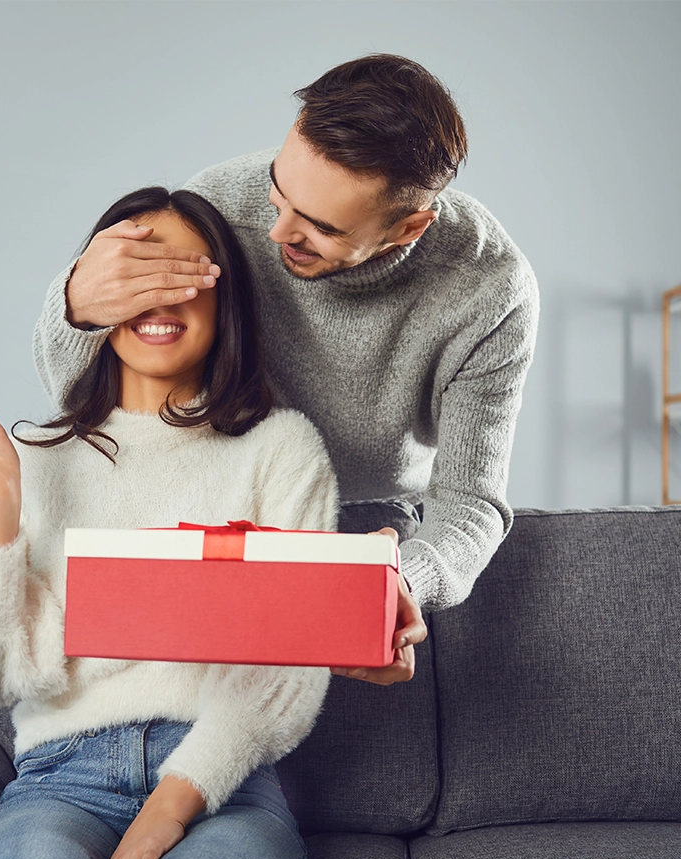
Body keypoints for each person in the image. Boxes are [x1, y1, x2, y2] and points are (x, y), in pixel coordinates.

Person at [0, 187, 355, 859]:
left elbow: (286, 671)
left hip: (226, 790)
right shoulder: (29, 456)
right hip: (56, 780)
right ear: (94, 297)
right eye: (136, 273)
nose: (159, 297)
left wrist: (173, 804)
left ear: (227, 298)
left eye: (184, 274)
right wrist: (0, 513)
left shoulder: (279, 451)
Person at [32, 54, 539, 686]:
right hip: (221, 502)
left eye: (320, 228)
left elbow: (471, 501)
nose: (276, 231)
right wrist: (76, 304)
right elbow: (81, 390)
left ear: (409, 227)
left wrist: (403, 580)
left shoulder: (490, 290)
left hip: (366, 525)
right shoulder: (218, 205)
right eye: (279, 190)